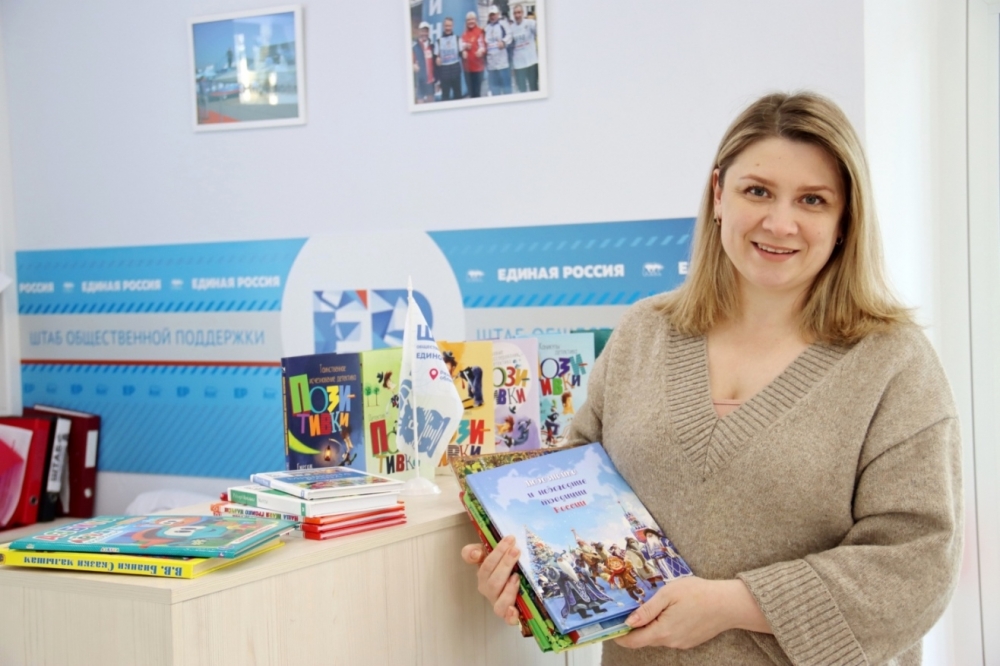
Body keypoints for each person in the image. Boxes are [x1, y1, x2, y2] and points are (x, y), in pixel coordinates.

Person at [460, 91, 963, 665]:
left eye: (813, 200)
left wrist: (736, 604)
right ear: (719, 193)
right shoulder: (643, 334)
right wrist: (524, 571)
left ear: (846, 218)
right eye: (758, 191)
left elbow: (919, 562)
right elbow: (568, 491)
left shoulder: (894, 362)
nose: (780, 223)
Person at [509, 3, 539, 92]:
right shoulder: (510, 28)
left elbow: (540, 32)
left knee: (534, 89)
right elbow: (509, 45)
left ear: (522, 13)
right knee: (522, 90)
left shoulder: (530, 23)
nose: (517, 15)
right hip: (519, 65)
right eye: (515, 13)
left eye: (519, 12)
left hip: (531, 62)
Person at [483, 5, 512, 96]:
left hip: (503, 65)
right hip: (491, 67)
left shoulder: (503, 24)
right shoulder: (486, 28)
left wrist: (503, 42)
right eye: (490, 15)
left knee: (507, 92)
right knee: (495, 93)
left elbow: (510, 35)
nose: (492, 17)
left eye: (494, 14)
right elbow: (483, 43)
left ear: (498, 14)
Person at [434, 17, 463, 101]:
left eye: (449, 26)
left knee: (458, 96)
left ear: (453, 26)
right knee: (445, 97)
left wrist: (464, 53)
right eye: (446, 26)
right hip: (444, 73)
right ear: (443, 26)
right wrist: (437, 60)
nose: (448, 28)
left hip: (455, 71)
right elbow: (435, 57)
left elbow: (461, 54)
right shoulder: (438, 41)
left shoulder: (457, 39)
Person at [459, 11, 486, 98]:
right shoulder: (464, 34)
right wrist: (463, 49)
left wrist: (480, 51)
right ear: (466, 22)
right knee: (471, 93)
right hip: (467, 69)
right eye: (468, 20)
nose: (471, 21)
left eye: (472, 19)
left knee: (477, 93)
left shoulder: (480, 31)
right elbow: (460, 46)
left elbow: (483, 46)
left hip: (478, 68)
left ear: (476, 20)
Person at [411, 21, 435, 104]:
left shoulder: (432, 46)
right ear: (419, 32)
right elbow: (410, 62)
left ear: (428, 32)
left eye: (426, 31)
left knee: (431, 104)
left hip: (430, 81)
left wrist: (437, 81)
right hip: (419, 82)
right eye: (422, 31)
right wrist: (413, 65)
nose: (424, 33)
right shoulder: (414, 47)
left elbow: (435, 64)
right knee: (420, 104)